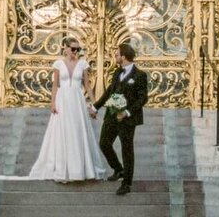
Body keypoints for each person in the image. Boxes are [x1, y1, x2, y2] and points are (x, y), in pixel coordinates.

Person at [27, 37, 108, 182]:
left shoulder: (82, 64)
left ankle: (79, 169)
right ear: (65, 48)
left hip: (77, 101)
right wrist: (52, 103)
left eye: (78, 49)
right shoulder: (58, 64)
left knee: (77, 131)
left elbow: (87, 86)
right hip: (62, 101)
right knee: (62, 131)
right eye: (73, 49)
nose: (75, 52)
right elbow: (54, 85)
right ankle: (62, 168)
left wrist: (94, 104)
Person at [94, 42, 148, 196]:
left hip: (128, 119)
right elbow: (109, 91)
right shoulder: (117, 72)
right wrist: (95, 107)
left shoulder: (140, 75)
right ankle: (118, 169)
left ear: (124, 57)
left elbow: (143, 98)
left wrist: (127, 112)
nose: (115, 56)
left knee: (127, 149)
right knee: (104, 143)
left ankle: (126, 183)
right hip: (112, 115)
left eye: (117, 54)